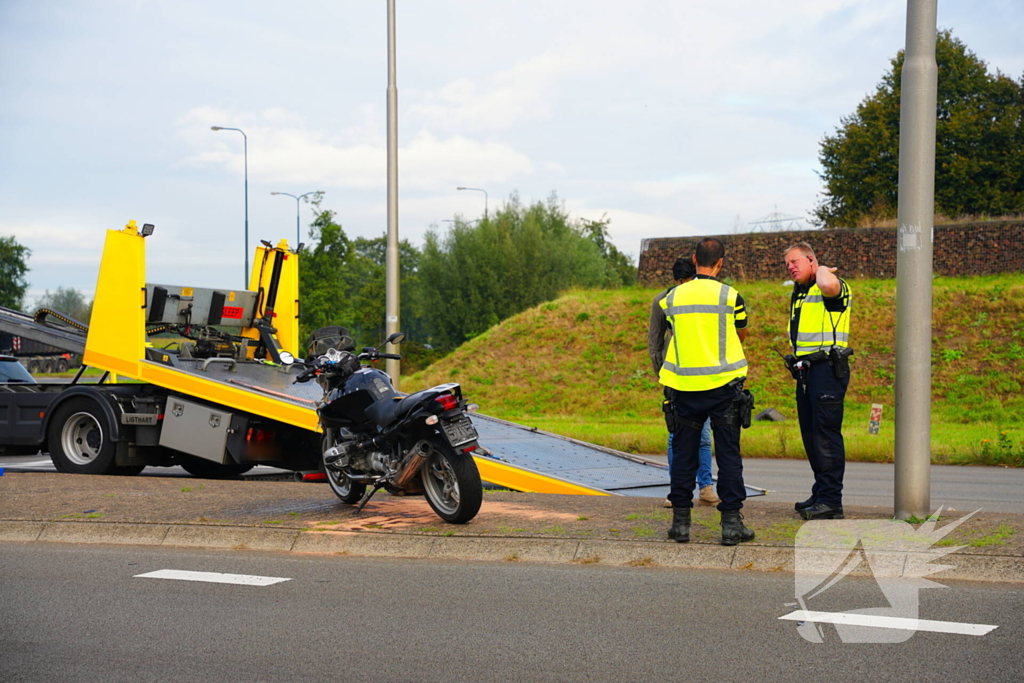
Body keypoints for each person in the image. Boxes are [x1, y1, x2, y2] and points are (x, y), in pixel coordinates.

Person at [659, 238, 754, 546]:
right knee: (728, 455)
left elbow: (673, 330)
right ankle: (731, 525)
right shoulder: (730, 296)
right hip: (724, 388)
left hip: (684, 388)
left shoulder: (673, 297)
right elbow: (741, 333)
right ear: (721, 263)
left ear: (694, 259)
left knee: (683, 456)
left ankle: (680, 524)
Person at [783, 242, 852, 521]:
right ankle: (822, 492)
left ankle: (831, 501)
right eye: (787, 264)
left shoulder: (831, 286)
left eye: (795, 261)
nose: (790, 267)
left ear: (811, 259)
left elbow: (828, 285)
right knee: (812, 437)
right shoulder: (801, 292)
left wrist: (822, 269)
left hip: (827, 371)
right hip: (807, 372)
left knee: (825, 436)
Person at [647, 257, 719, 508]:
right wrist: (662, 372)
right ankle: (676, 490)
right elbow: (655, 340)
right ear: (676, 281)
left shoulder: (707, 297)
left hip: (704, 376)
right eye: (682, 283)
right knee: (675, 435)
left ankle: (706, 487)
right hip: (676, 378)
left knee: (704, 436)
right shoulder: (662, 300)